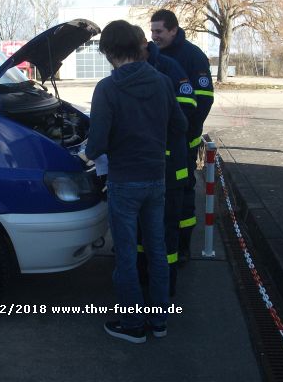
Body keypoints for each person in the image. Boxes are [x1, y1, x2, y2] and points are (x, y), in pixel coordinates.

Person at [85, 20, 187, 344]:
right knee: (157, 250)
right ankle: (159, 321)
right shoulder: (161, 82)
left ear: (110, 52)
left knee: (127, 255)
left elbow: (96, 145)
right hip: (156, 180)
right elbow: (180, 125)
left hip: (125, 183)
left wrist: (88, 152)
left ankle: (131, 324)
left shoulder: (108, 88)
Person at [150, 9, 214, 264]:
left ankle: (183, 243)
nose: (153, 36)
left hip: (183, 141)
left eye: (159, 31)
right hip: (159, 143)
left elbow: (204, 100)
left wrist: (186, 133)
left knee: (184, 192)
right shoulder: (154, 56)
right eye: (152, 30)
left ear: (174, 30)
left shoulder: (193, 56)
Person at [132, 25, 190, 296]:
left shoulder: (168, 69)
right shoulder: (129, 73)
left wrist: (154, 133)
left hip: (171, 170)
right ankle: (145, 279)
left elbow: (186, 112)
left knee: (166, 233)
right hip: (146, 169)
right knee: (143, 232)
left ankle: (166, 291)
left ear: (142, 44)